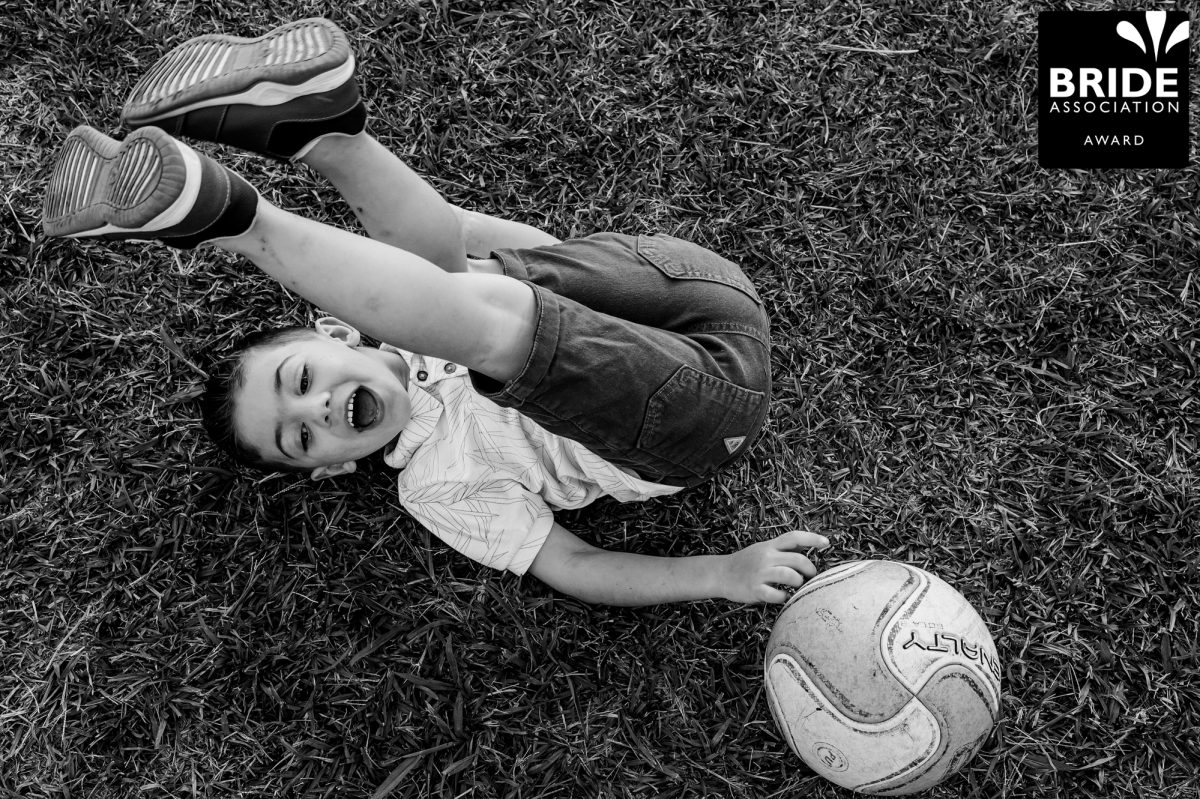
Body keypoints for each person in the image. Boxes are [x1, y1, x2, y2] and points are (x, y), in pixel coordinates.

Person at [42, 18, 829, 606]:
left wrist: (540, 265)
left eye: (301, 378)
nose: (316, 408)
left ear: (333, 331)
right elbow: (575, 564)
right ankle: (320, 133)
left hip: (674, 293)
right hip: (701, 409)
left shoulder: (386, 302)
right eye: (302, 435)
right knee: (473, 297)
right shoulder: (436, 483)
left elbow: (496, 246)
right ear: (333, 468)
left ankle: (241, 213)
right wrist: (720, 573)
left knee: (467, 289)